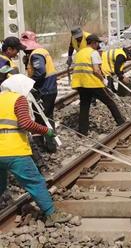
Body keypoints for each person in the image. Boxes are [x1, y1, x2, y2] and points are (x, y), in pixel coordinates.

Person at [0, 74, 72, 226]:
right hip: (15, 150)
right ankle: (52, 214)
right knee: (35, 182)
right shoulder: (18, 99)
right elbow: (26, 123)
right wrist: (46, 130)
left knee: (1, 185)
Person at [71, 34, 125, 135]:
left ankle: (83, 131)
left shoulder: (79, 53)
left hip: (80, 84)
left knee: (84, 106)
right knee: (110, 102)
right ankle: (121, 122)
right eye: (97, 43)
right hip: (92, 83)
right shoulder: (93, 53)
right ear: (93, 43)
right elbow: (96, 70)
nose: (98, 45)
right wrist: (103, 79)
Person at [21, 31, 58, 153]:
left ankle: (42, 146)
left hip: (44, 90)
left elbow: (40, 72)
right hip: (50, 89)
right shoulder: (41, 52)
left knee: (40, 119)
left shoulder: (36, 55)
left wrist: (29, 83)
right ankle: (51, 145)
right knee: (48, 117)